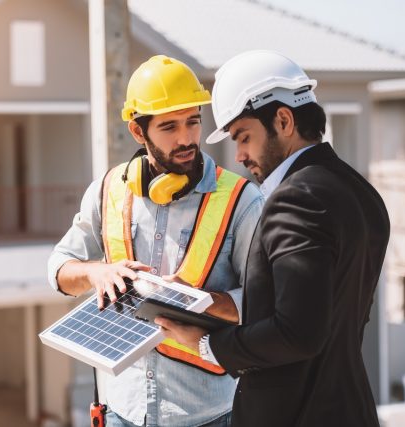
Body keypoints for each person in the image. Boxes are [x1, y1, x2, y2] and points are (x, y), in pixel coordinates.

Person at [157, 50, 390, 427]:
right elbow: (320, 309)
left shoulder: (296, 198)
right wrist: (206, 303)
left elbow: (297, 332)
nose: (240, 156)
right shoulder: (362, 192)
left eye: (243, 137)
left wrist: (205, 343)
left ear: (283, 120)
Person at [47, 55, 264, 427]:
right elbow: (60, 268)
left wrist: (201, 302)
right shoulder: (108, 191)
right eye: (169, 127)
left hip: (206, 414)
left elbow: (267, 301)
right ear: (137, 132)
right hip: (122, 410)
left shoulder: (243, 201)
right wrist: (97, 273)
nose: (186, 138)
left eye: (193, 122)